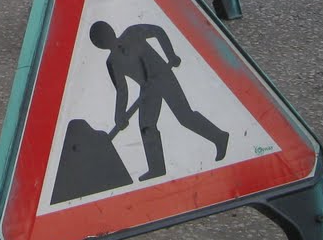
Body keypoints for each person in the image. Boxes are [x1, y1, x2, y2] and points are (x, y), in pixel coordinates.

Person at [89, 18, 230, 182]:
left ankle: (219, 137)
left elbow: (158, 31)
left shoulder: (132, 32)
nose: (106, 41)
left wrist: (170, 54)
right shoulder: (112, 62)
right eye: (101, 41)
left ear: (111, 31)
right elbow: (122, 90)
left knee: (184, 116)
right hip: (147, 90)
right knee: (146, 126)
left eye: (105, 36)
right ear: (100, 46)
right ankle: (157, 168)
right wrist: (119, 116)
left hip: (163, 77)